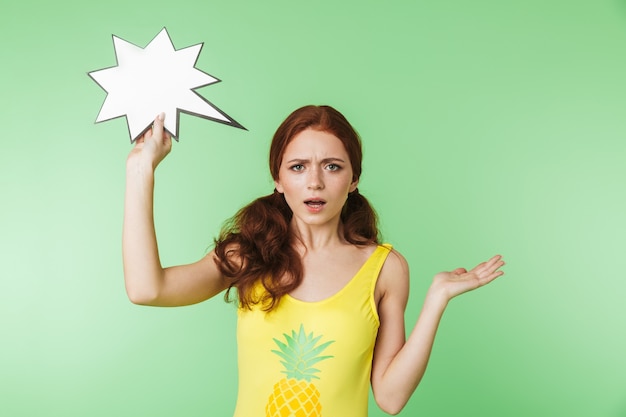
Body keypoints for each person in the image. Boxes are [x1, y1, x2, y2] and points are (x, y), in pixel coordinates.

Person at [122, 105, 504, 416]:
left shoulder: (385, 268)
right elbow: (146, 289)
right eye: (298, 166)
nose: (315, 182)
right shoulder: (249, 254)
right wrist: (141, 169)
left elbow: (390, 398)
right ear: (278, 177)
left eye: (332, 166)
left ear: (353, 178)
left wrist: (436, 299)